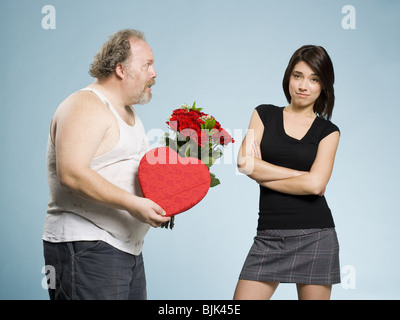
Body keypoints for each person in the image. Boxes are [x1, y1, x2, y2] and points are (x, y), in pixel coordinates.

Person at [42, 29, 170, 300]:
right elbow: (72, 173)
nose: (154, 73)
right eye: (147, 65)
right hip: (88, 248)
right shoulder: (86, 104)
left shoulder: (127, 111)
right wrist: (135, 205)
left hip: (125, 249)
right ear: (121, 69)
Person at [234, 45, 341, 300]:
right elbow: (244, 164)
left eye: (314, 79)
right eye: (298, 76)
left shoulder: (328, 131)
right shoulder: (263, 114)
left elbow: (315, 186)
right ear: (288, 78)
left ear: (324, 86)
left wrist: (264, 172)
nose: (304, 85)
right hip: (268, 236)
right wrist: (299, 176)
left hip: (316, 236)